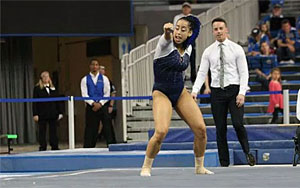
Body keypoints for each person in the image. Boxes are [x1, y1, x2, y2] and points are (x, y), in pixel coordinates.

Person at [140, 15, 214, 176]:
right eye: (177, 28)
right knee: (160, 132)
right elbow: (167, 37)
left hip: (180, 92)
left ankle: (199, 167)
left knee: (201, 129)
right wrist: (167, 31)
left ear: (190, 33)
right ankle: (146, 166)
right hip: (161, 92)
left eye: (183, 29)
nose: (178, 32)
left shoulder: (189, 48)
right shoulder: (164, 43)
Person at [192, 17, 256, 167]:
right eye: (215, 29)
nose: (218, 31)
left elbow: (244, 72)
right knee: (220, 128)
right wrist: (195, 90)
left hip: (234, 90)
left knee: (237, 124)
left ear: (226, 30)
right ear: (213, 32)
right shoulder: (208, 51)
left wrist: (242, 93)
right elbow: (202, 72)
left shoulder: (236, 49)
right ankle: (224, 162)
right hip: (217, 92)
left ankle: (247, 152)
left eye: (221, 28)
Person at [80, 59, 116, 148]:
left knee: (107, 125)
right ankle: (89, 147)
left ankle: (112, 145)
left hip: (103, 105)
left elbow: (107, 92)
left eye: (96, 65)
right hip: (91, 106)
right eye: (93, 65)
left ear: (98, 66)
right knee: (90, 127)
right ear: (90, 66)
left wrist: (100, 103)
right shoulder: (84, 79)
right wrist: (92, 103)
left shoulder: (104, 79)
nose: (95, 66)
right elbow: (84, 94)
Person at [33, 71, 63, 151]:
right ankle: (42, 146)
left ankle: (54, 145)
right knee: (42, 131)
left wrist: (60, 112)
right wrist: (35, 114)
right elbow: (35, 102)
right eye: (44, 77)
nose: (46, 78)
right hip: (42, 113)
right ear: (41, 78)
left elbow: (58, 101)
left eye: (47, 76)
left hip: (53, 113)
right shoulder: (37, 88)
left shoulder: (53, 88)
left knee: (53, 131)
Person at [173, 1, 198, 83]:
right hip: (181, 42)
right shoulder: (178, 17)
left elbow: (195, 31)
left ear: (190, 9)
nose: (186, 9)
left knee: (192, 61)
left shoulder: (193, 18)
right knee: (180, 60)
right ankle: (181, 79)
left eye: (187, 7)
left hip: (190, 41)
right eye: (184, 8)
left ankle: (193, 78)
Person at [98, 65, 117, 142]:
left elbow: (113, 93)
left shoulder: (107, 81)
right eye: (100, 70)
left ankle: (111, 141)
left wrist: (111, 105)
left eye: (103, 70)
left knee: (108, 124)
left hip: (106, 105)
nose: (101, 71)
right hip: (96, 105)